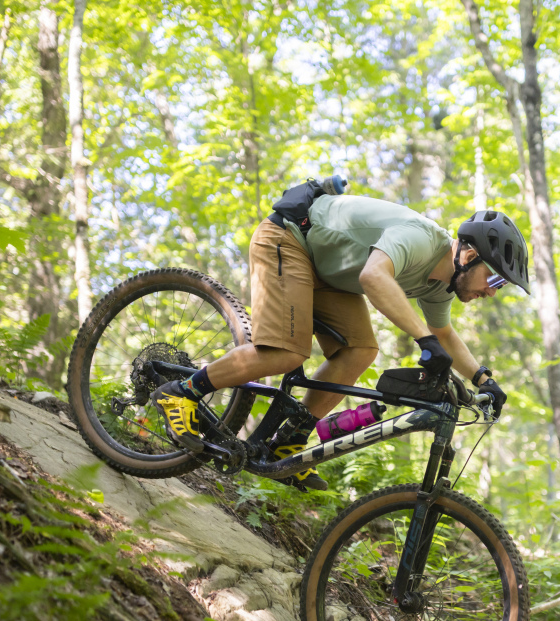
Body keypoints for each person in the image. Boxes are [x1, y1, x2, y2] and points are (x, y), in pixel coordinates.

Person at [152, 191, 531, 490]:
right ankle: (181, 390)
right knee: (285, 352)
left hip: (327, 273)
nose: (493, 292)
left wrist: (483, 379)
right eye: (494, 280)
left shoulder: (441, 286)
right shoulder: (420, 238)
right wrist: (422, 339)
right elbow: (373, 277)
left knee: (361, 350)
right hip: (289, 238)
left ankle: (289, 439)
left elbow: (444, 334)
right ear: (467, 254)